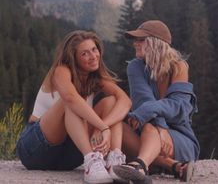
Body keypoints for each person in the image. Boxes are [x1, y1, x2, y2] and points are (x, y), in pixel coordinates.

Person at [16, 30, 132, 184]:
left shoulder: (95, 77)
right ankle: (91, 162)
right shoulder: (61, 70)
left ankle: (115, 163)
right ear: (74, 58)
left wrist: (104, 127)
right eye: (84, 53)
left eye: (94, 49)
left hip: (69, 156)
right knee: (70, 101)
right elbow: (70, 98)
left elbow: (125, 101)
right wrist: (102, 127)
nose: (93, 56)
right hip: (36, 148)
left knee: (111, 101)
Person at [113, 20, 200, 183]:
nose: (135, 44)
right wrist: (161, 126)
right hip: (151, 133)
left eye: (141, 40)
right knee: (118, 127)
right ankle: (174, 166)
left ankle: (140, 165)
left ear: (156, 43)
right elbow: (143, 99)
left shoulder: (179, 67)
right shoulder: (135, 66)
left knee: (148, 126)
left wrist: (157, 122)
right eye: (135, 40)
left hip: (180, 140)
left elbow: (179, 107)